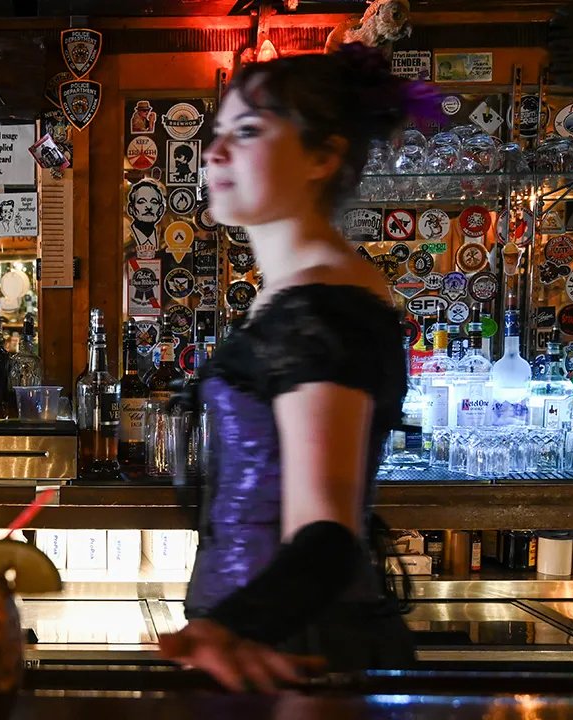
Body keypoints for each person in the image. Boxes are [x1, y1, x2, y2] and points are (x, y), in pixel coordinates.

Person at [157, 44, 437, 690]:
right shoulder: (300, 292)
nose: (214, 154)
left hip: (299, 651)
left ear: (322, 155)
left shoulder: (322, 308)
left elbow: (326, 532)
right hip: (272, 641)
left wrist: (235, 627)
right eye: (216, 133)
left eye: (247, 133)